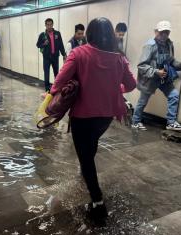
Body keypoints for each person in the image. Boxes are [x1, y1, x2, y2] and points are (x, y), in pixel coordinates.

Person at [50, 17, 136, 221]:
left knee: (85, 156)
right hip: (106, 115)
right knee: (91, 144)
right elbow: (131, 85)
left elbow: (59, 82)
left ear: (89, 34)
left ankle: (97, 201)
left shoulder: (78, 53)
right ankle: (86, 172)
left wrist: (52, 93)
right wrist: (115, 90)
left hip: (82, 114)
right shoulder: (119, 58)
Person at [132, 21, 181, 131]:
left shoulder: (169, 44)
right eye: (162, 32)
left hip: (164, 78)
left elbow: (171, 61)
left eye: (166, 32)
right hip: (150, 79)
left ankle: (171, 122)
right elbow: (141, 65)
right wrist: (156, 71)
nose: (164, 35)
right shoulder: (149, 45)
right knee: (143, 101)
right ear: (156, 32)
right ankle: (135, 121)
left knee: (174, 95)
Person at [36, 18, 66, 93]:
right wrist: (43, 44)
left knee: (56, 74)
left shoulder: (57, 34)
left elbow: (60, 44)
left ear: (53, 24)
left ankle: (57, 89)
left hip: (55, 57)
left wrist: (64, 54)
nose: (49, 26)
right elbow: (38, 45)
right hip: (46, 57)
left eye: (50, 24)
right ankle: (47, 90)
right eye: (47, 25)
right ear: (45, 25)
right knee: (46, 74)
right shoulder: (42, 35)